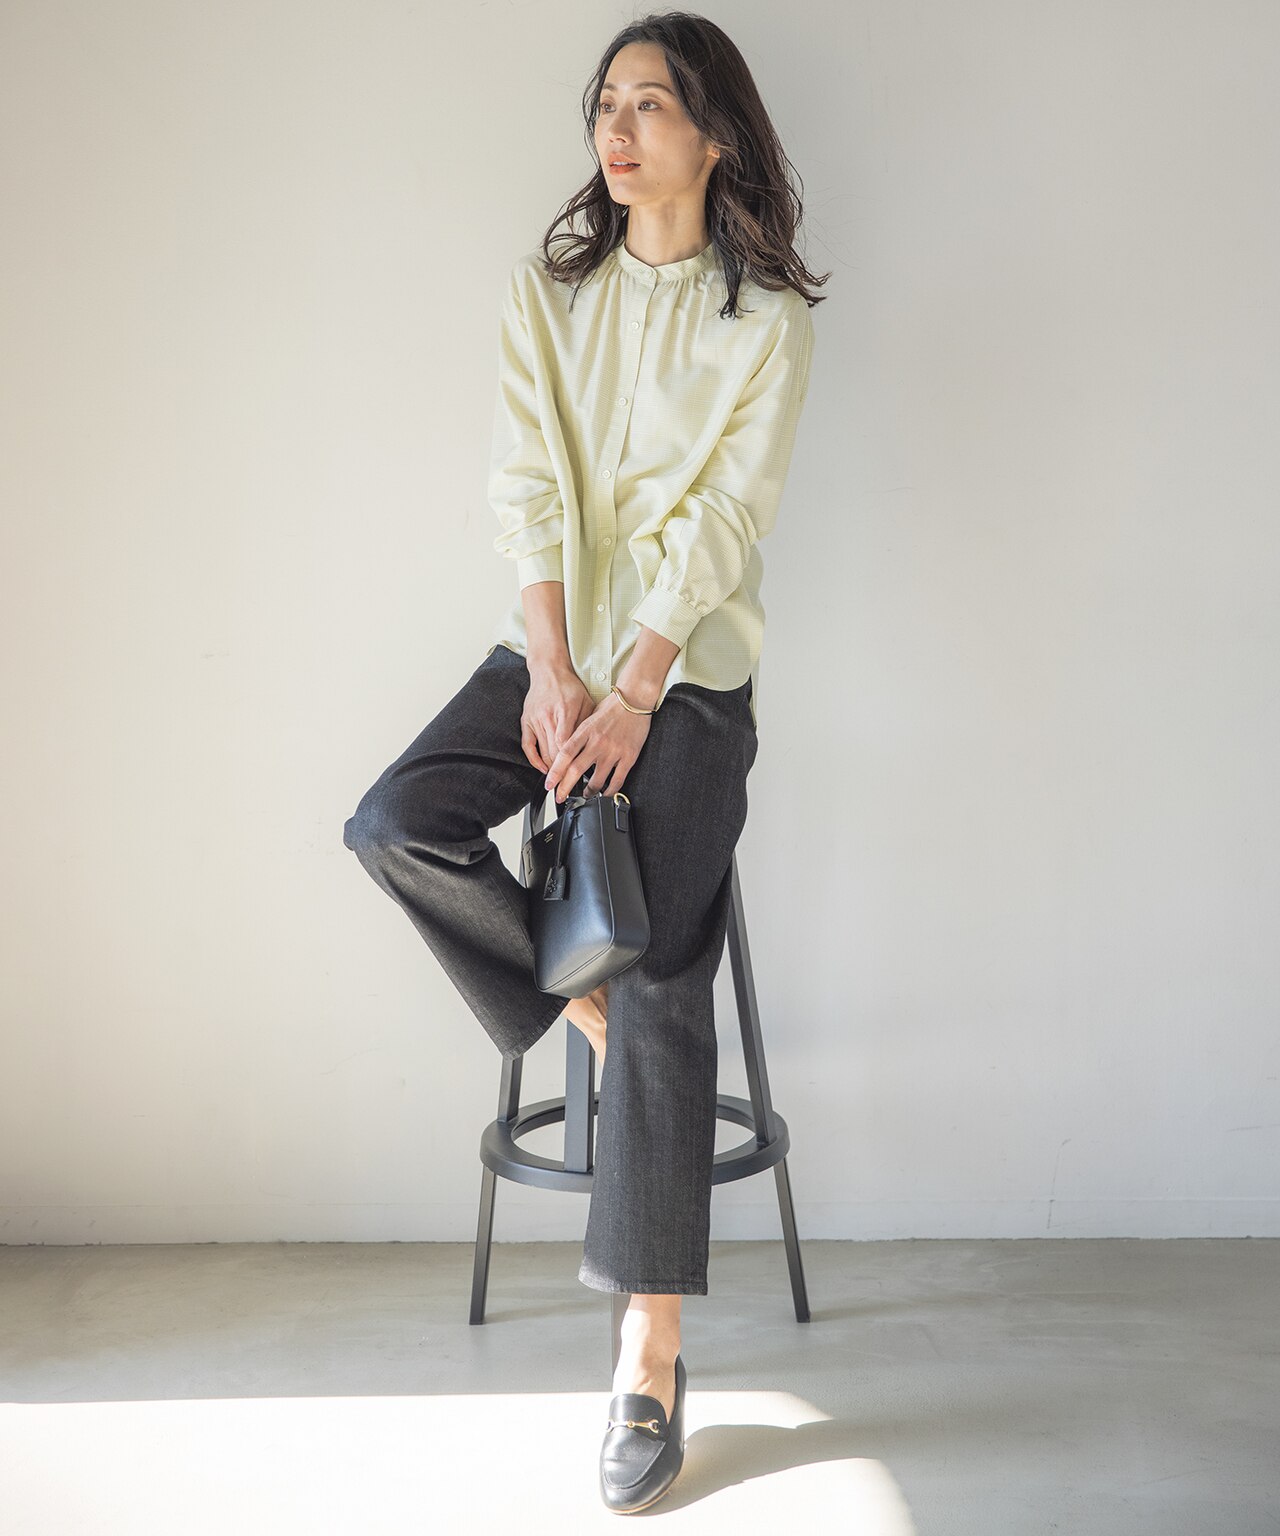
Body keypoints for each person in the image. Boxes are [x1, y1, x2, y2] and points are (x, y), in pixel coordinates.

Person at [344, 11, 826, 1514]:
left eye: (649, 105)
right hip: (554, 653)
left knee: (667, 957)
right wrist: (553, 669)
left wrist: (633, 691)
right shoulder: (550, 296)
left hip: (690, 682)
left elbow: (723, 522)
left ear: (716, 136)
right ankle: (584, 1004)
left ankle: (648, 1349)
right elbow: (529, 486)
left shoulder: (766, 323)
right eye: (605, 103)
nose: (616, 130)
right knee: (395, 821)